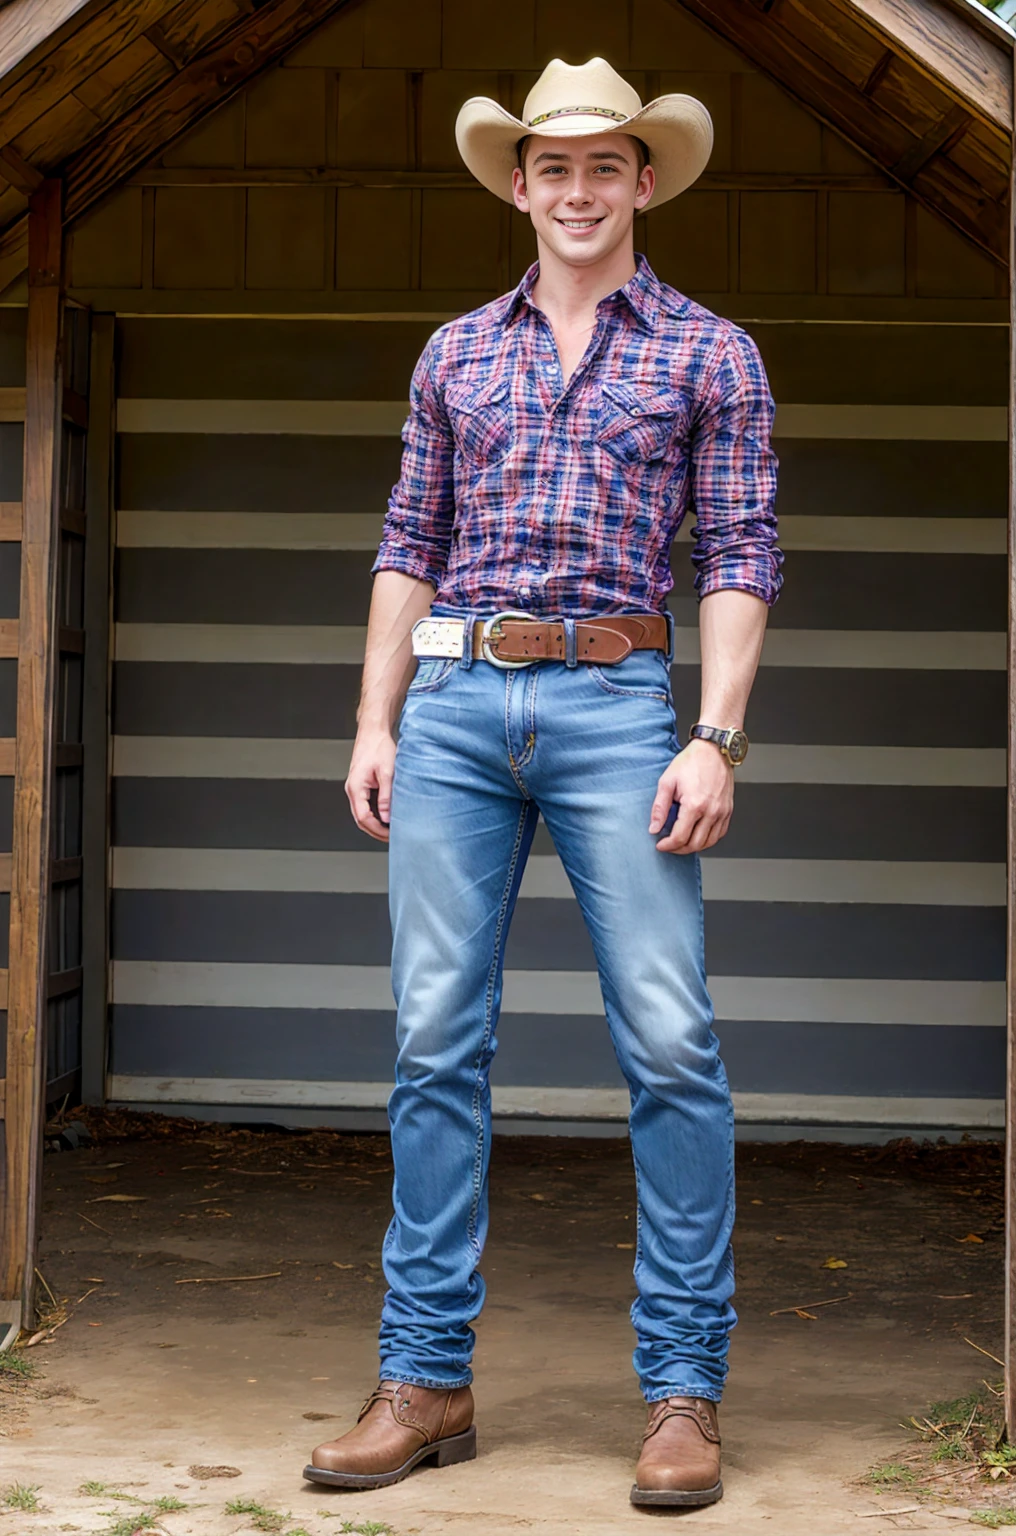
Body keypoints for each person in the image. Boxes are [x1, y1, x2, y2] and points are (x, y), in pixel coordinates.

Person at [304, 55, 782, 1510]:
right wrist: (375, 720)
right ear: (519, 185)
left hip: (621, 707)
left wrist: (717, 735)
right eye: (552, 168)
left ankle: (684, 1393)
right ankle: (425, 1381)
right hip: (452, 707)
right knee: (433, 1043)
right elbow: (408, 538)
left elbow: (742, 554)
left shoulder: (711, 353)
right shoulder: (456, 351)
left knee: (671, 1042)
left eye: (604, 167)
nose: (578, 191)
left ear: (645, 181)